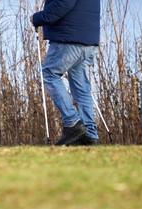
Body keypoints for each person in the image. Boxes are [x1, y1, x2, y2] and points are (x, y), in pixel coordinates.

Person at [31, 0, 101, 146]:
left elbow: (63, 4)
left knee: (50, 74)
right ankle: (88, 135)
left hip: (67, 37)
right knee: (81, 87)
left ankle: (72, 122)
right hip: (88, 40)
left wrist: (38, 17)